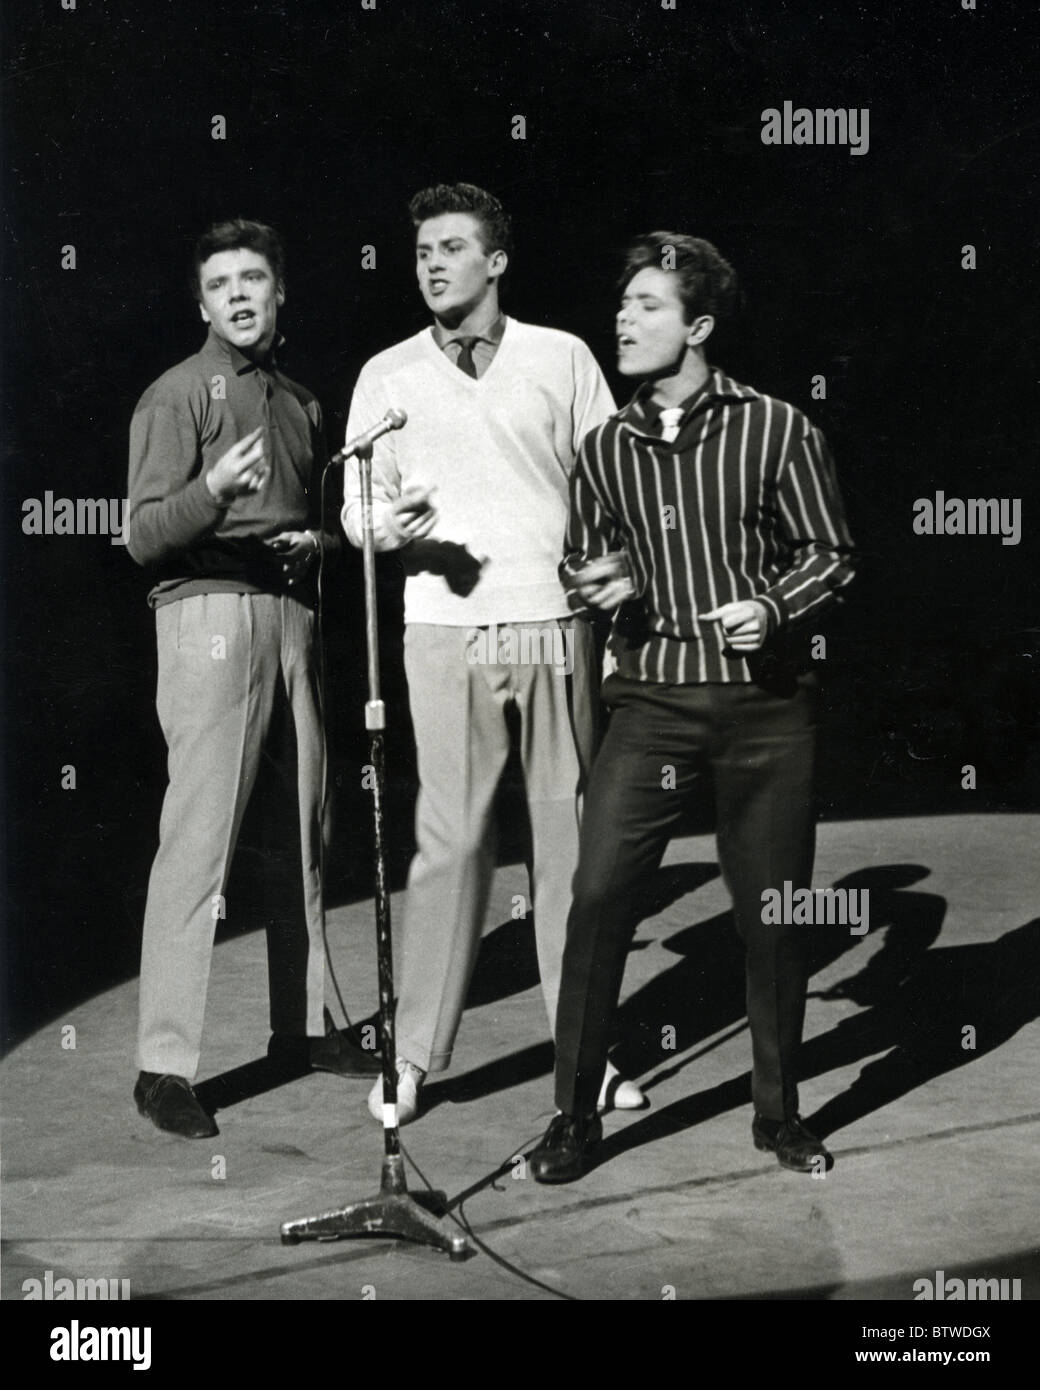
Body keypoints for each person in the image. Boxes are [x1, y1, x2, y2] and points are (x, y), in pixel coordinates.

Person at [529, 232, 857, 1182]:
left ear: (699, 326)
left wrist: (773, 606)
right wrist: (596, 582)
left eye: (647, 307)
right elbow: (580, 558)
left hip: (765, 711)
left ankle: (779, 1115)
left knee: (773, 915)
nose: (624, 321)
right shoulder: (603, 450)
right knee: (596, 901)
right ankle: (574, 1120)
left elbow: (831, 553)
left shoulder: (778, 428)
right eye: (622, 305)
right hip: (651, 704)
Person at [341, 182, 635, 1125]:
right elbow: (356, 511)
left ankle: (585, 1055)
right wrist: (392, 527)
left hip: (554, 623)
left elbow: (612, 478)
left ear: (496, 261)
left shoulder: (563, 356)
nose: (432, 262)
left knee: (571, 846)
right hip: (440, 632)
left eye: (453, 247)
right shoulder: (386, 375)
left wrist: (615, 571)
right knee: (451, 846)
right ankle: (415, 1056)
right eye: (422, 248)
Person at [127, 218, 379, 1140]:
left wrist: (317, 541)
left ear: (281, 294)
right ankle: (164, 1064)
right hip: (207, 615)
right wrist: (212, 494)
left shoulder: (304, 403)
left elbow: (316, 520)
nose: (239, 294)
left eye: (255, 280)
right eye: (221, 283)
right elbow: (143, 534)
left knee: (305, 828)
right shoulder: (177, 395)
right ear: (202, 303)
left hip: (292, 615)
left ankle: (304, 1029)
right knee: (199, 840)